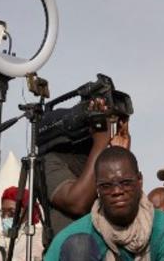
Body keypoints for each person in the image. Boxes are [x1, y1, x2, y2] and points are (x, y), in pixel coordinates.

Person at [44, 146, 164, 260]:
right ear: (97, 188)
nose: (117, 191)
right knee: (79, 248)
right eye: (107, 186)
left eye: (125, 183)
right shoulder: (74, 235)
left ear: (139, 181)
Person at [43, 97, 131, 242]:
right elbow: (78, 203)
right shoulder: (50, 161)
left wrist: (120, 157)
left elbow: (123, 206)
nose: (107, 126)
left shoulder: (100, 158)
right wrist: (101, 142)